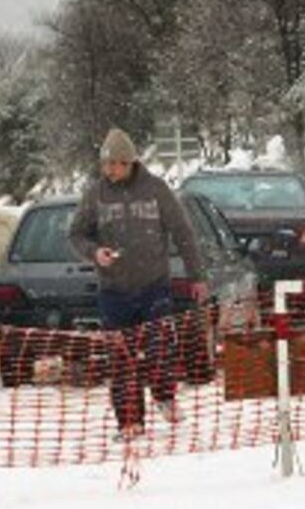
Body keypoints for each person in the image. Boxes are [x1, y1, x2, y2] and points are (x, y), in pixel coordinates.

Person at [69, 127, 208, 439]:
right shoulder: (95, 194)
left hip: (154, 285)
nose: (109, 170)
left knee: (160, 348)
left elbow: (183, 233)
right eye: (106, 164)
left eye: (115, 164)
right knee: (121, 358)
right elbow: (76, 234)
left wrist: (197, 276)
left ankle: (164, 395)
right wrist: (95, 252)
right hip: (113, 291)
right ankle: (130, 421)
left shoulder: (156, 189)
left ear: (129, 162)